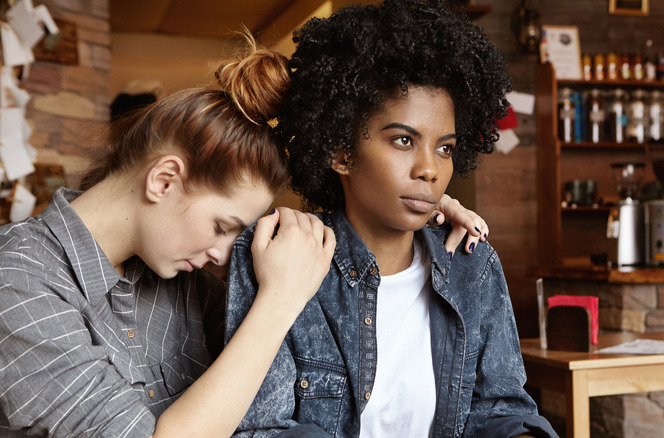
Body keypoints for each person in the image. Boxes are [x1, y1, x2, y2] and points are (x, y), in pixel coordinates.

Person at [0, 32, 486, 437]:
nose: (220, 252)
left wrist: (418, 208)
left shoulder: (174, 267)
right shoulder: (16, 278)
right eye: (221, 226)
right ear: (163, 180)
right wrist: (279, 302)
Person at [224, 1, 558, 437]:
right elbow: (263, 429)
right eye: (403, 140)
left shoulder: (473, 265)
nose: (430, 170)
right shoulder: (277, 258)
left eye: (445, 148)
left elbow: (501, 411)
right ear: (339, 152)